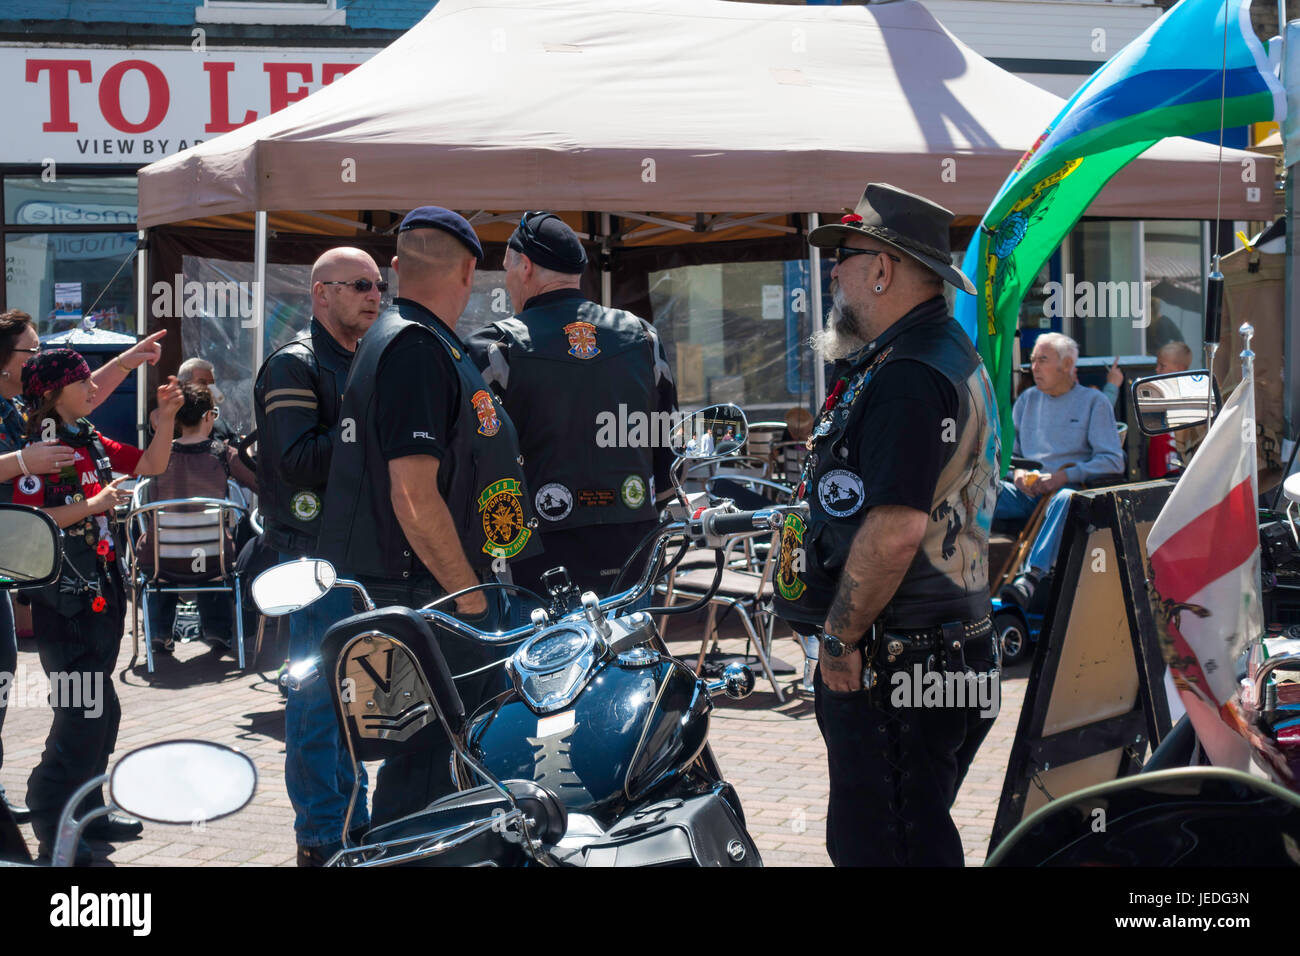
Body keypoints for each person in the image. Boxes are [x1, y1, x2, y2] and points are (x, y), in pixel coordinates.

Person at [770, 183, 1000, 866]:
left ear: (883, 268)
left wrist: (840, 640)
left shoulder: (907, 373)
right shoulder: (933, 352)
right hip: (937, 651)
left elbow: (895, 530)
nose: (832, 272)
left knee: (887, 851)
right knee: (908, 837)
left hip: (901, 659)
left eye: (843, 255)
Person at [318, 206, 542, 828]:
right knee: (423, 776)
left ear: (394, 267)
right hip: (430, 602)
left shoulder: (421, 341)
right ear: (471, 270)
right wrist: (470, 599)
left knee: (438, 769)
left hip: (427, 596)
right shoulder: (415, 347)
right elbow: (413, 495)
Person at [11, 348, 182, 864]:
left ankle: (90, 809)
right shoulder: (43, 449)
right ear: (53, 391)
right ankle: (53, 820)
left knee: (101, 711)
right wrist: (93, 504)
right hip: (63, 602)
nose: (93, 389)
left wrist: (167, 419)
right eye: (82, 381)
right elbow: (27, 528)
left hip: (99, 591)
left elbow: (152, 464)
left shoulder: (86, 436)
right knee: (82, 713)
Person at [466, 212, 677, 599]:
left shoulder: (495, 346)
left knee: (537, 659)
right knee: (630, 657)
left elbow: (473, 461)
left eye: (507, 269)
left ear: (525, 266)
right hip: (632, 542)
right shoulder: (642, 336)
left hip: (533, 556)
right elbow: (666, 449)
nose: (508, 280)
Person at [253, 245, 382, 866]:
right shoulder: (293, 365)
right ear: (321, 293)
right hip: (309, 561)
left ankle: (356, 820)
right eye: (359, 284)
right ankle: (321, 838)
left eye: (378, 284)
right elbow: (297, 463)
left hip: (362, 557)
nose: (374, 295)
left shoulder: (368, 362)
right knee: (315, 702)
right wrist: (368, 420)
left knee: (356, 700)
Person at [996, 333, 1125, 609]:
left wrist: (1064, 476)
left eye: (1042, 359)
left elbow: (1113, 461)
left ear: (1067, 365)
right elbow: (1009, 457)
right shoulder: (1026, 400)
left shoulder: (1094, 402)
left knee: (1065, 497)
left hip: (1067, 494)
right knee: (977, 490)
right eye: (1032, 360)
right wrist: (1016, 475)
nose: (1034, 367)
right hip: (1025, 492)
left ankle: (1030, 578)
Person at [136, 382, 258, 654]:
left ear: (177, 419)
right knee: (217, 551)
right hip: (212, 558)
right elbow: (259, 483)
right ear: (208, 416)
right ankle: (216, 628)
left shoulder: (159, 455)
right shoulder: (223, 454)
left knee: (155, 557)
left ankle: (158, 631)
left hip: (162, 559)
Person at [148, 357, 238, 443]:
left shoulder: (219, 422)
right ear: (184, 384)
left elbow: (236, 445)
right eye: (202, 382)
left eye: (211, 384)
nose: (209, 388)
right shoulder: (173, 417)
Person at [1147, 341, 1196, 478]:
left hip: (1175, 471)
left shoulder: (1191, 399)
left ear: (1179, 369)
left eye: (1162, 366)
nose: (1157, 369)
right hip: (1156, 469)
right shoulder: (1157, 394)